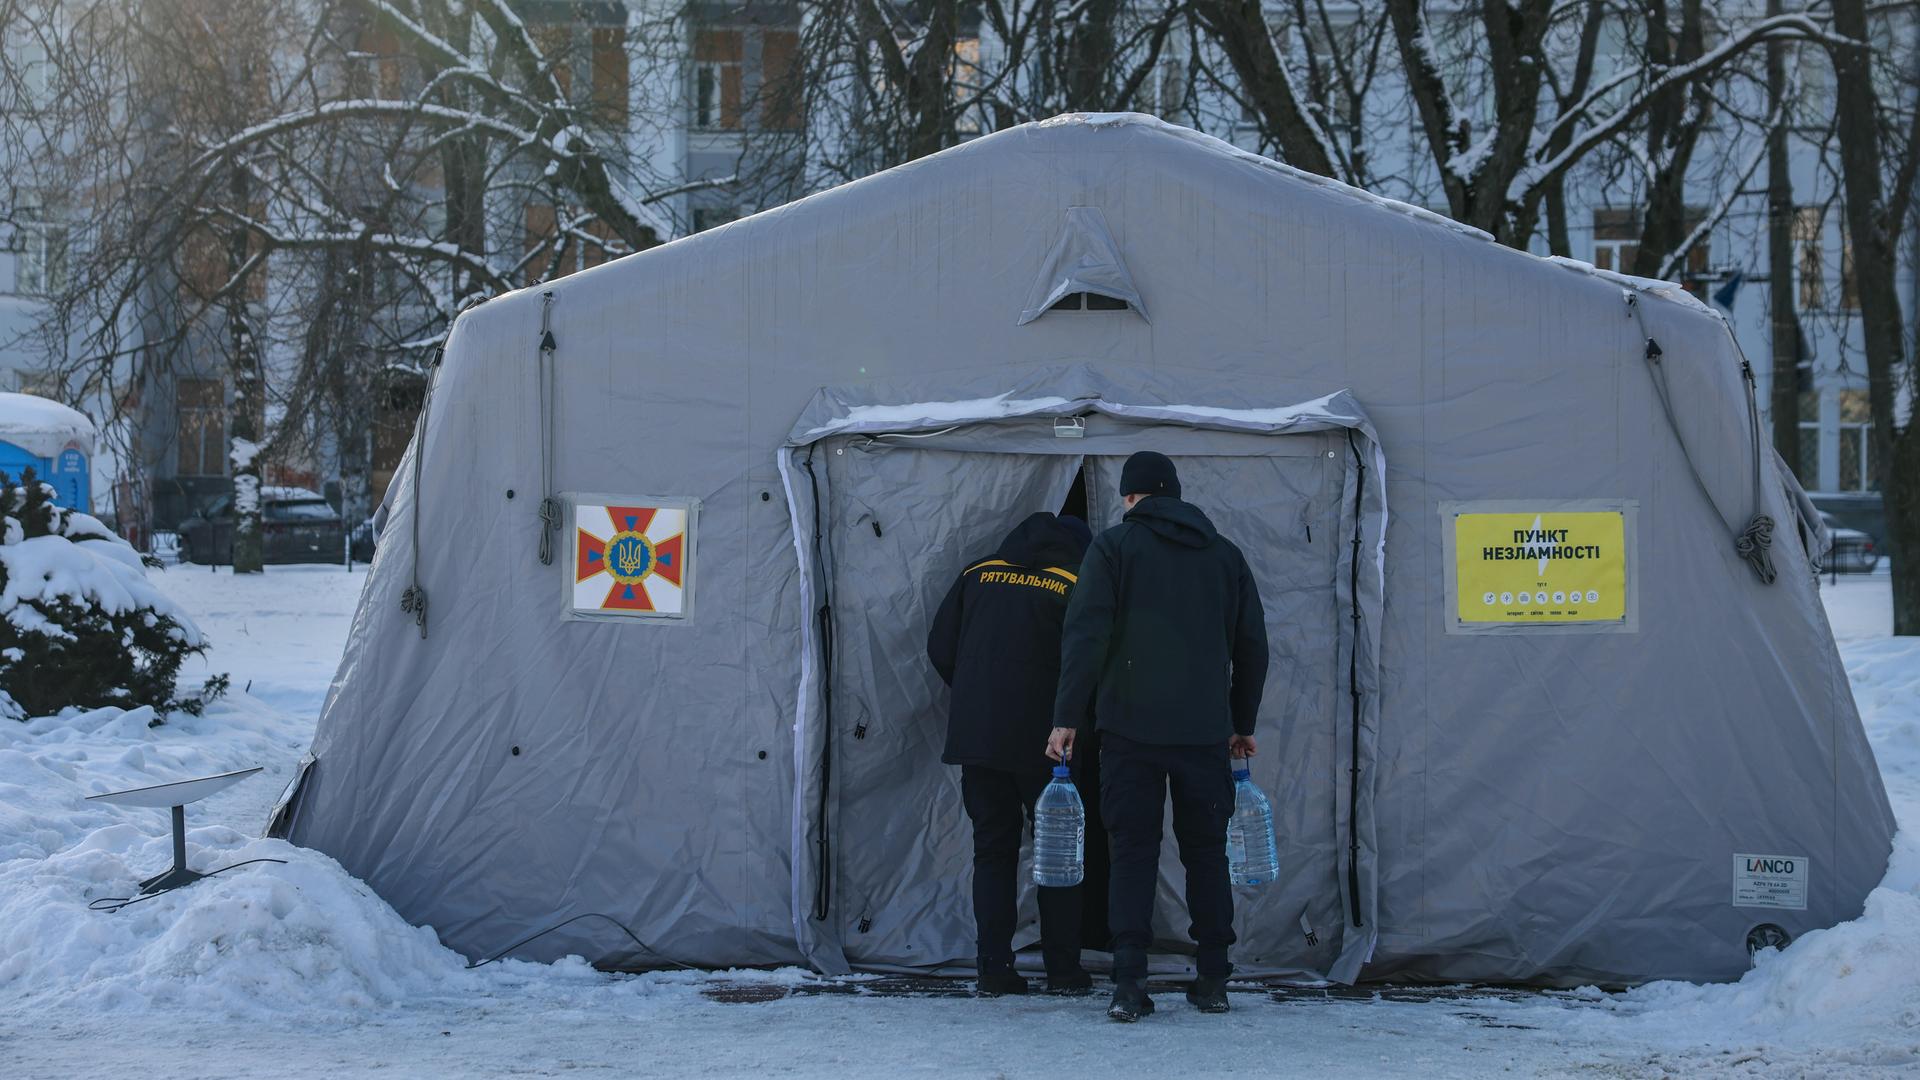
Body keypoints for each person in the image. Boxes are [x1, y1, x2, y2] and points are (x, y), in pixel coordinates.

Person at [1047, 451, 1268, 1022]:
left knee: (1133, 853)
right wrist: (1241, 724)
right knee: (1206, 853)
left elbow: (1086, 635)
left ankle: (1128, 983)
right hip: (1204, 733)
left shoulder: (1114, 548)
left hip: (1129, 730)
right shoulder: (1225, 555)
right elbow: (1252, 648)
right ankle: (1214, 977)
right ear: (1175, 494)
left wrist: (1066, 716)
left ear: (1129, 497)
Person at [927, 510, 1096, 996]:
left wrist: (974, 694)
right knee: (1058, 852)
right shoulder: (1072, 583)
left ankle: (993, 968)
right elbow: (1087, 662)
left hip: (978, 739)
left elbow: (941, 646)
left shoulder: (977, 573)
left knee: (992, 852)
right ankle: (1063, 970)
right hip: (1049, 745)